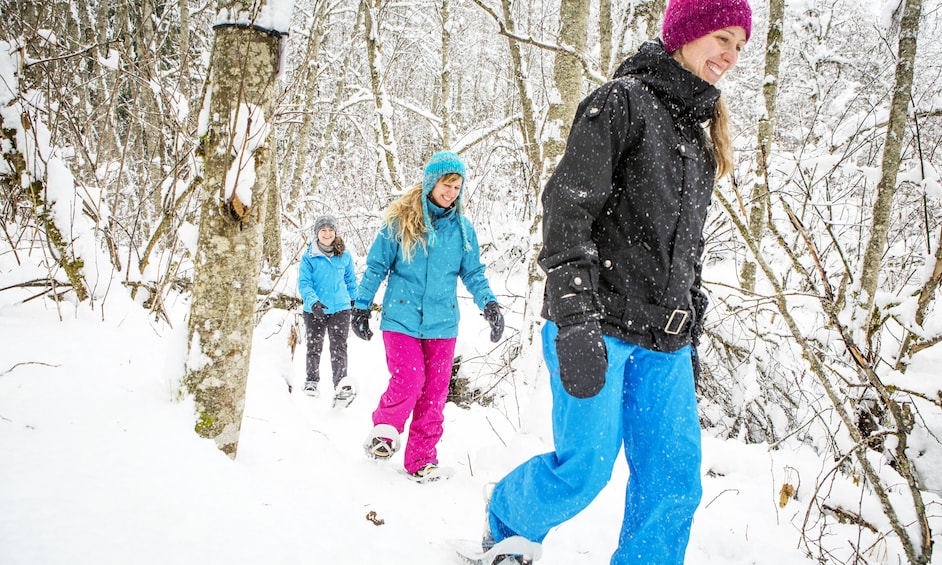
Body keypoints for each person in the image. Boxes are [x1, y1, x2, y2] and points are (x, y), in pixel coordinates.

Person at [481, 0, 752, 562]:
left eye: (740, 46)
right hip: (597, 324)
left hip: (665, 344)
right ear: (687, 31)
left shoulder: (701, 142)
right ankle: (508, 521)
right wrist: (575, 319)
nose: (729, 55)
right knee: (585, 468)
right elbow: (567, 212)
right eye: (721, 37)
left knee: (673, 483)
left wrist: (691, 326)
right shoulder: (621, 103)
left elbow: (687, 250)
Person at [351, 151, 505, 482]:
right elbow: (377, 265)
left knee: (434, 394)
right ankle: (384, 430)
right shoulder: (401, 223)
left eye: (457, 187)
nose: (450, 192)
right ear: (431, 183)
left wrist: (489, 305)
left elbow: (474, 273)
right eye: (446, 185)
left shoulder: (462, 230)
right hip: (401, 319)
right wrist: (362, 304)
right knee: (409, 380)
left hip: (443, 324)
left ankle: (421, 459)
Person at [297, 214, 358, 407]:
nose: (327, 233)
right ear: (317, 233)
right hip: (314, 309)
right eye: (323, 230)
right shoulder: (309, 257)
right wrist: (313, 302)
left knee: (339, 347)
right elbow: (304, 283)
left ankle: (340, 385)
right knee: (314, 346)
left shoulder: (344, 255)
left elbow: (350, 280)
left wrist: (355, 300)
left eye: (330, 230)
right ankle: (311, 382)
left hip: (340, 308)